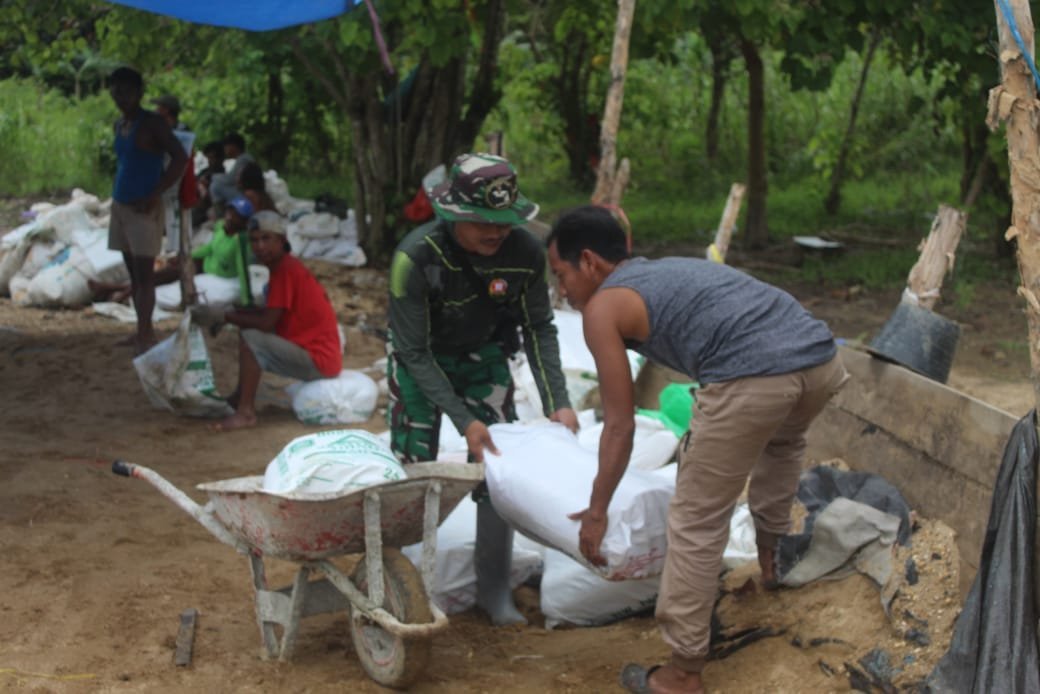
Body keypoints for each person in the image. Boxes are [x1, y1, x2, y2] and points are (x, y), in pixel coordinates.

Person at [545, 205, 849, 694]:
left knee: (696, 519)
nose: (563, 291)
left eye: (561, 275)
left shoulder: (604, 307)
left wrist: (597, 510)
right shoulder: (667, 270)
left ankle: (682, 674)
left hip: (755, 373)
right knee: (783, 443)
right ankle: (771, 561)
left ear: (589, 262)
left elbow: (619, 426)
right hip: (821, 360)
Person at [386, 152, 578, 625]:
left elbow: (539, 329)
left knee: (497, 470)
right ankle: (397, 582)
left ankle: (493, 592)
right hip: (421, 360)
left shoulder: (525, 254)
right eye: (482, 222)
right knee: (411, 471)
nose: (495, 232)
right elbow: (412, 354)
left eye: (504, 223)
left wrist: (560, 403)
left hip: (482, 357)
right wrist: (461, 418)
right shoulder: (414, 258)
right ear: (453, 215)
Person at [212, 210, 341, 431]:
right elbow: (269, 313)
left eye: (266, 238)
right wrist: (233, 315)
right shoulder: (283, 268)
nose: (259, 246)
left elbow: (266, 323)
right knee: (249, 331)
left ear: (282, 241)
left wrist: (225, 316)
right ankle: (239, 398)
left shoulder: (285, 270)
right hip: (314, 353)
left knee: (252, 337)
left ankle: (246, 412)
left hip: (319, 360)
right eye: (254, 240)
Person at [106, 66, 188, 354]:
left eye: (127, 91)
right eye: (116, 91)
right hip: (122, 205)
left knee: (145, 276)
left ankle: (145, 334)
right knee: (135, 276)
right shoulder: (120, 125)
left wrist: (156, 193)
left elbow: (180, 157)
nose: (121, 97)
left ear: (139, 93)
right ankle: (141, 330)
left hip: (144, 208)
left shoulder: (153, 124)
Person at [191, 195, 257, 306]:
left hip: (224, 280)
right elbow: (210, 248)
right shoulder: (221, 227)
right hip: (207, 271)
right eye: (229, 213)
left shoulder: (240, 240)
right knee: (180, 267)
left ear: (244, 222)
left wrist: (247, 302)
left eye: (236, 216)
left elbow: (243, 271)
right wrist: (188, 255)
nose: (230, 218)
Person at [152, 94, 197, 255]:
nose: (155, 111)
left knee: (176, 220)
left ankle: (178, 253)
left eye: (159, 108)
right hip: (164, 183)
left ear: (166, 111)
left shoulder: (181, 133)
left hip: (177, 184)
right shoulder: (163, 129)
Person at [209, 132, 255, 209]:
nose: (225, 149)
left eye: (226, 146)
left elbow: (230, 179)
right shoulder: (243, 158)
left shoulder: (244, 159)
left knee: (215, 186)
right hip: (245, 193)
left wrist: (213, 177)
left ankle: (221, 213)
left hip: (246, 195)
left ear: (233, 146)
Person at [193, 140, 225, 228]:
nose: (210, 161)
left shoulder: (222, 176)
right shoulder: (205, 172)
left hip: (207, 212)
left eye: (213, 158)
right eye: (209, 158)